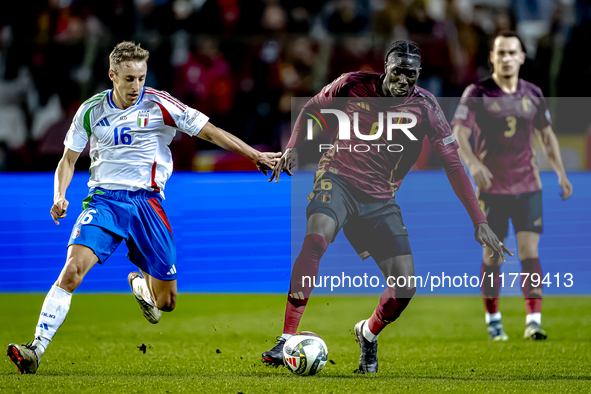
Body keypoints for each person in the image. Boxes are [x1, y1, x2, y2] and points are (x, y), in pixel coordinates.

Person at [7, 41, 281, 375]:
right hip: (105, 201)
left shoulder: (159, 104)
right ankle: (35, 348)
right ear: (112, 76)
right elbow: (67, 160)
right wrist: (58, 195)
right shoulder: (91, 111)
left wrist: (255, 155)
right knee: (73, 269)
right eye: (128, 79)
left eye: (140, 77)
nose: (135, 86)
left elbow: (209, 132)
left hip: (147, 204)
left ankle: (141, 285)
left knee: (166, 302)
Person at [262, 40, 511, 373]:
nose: (404, 81)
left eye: (412, 74)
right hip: (337, 179)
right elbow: (310, 108)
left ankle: (367, 333)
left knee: (406, 285)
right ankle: (285, 339)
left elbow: (453, 165)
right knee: (316, 239)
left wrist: (478, 220)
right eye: (398, 72)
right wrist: (294, 147)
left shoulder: (426, 106)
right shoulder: (352, 84)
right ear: (385, 68)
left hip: (380, 199)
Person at [451, 32, 573, 341]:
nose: (506, 58)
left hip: (528, 186)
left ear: (521, 57)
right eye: (500, 53)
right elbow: (458, 134)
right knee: (492, 257)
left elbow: (547, 135)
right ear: (492, 57)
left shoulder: (533, 93)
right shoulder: (476, 93)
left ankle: (533, 320)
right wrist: (474, 165)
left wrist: (560, 172)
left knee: (529, 250)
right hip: (492, 190)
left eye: (512, 53)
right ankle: (494, 320)